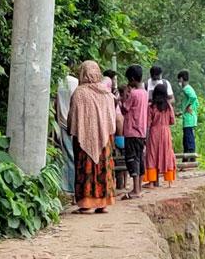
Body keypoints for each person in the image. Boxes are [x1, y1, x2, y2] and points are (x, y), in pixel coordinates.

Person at [68, 61, 119, 214]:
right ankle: (103, 203)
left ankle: (86, 203)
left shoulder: (79, 93)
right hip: (105, 139)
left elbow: (73, 117)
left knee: (86, 168)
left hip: (84, 138)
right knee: (104, 168)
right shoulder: (106, 93)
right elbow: (112, 118)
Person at [120, 64, 148, 199]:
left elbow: (125, 109)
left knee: (132, 159)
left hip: (131, 131)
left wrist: (123, 97)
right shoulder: (144, 93)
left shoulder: (134, 94)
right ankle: (139, 188)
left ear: (131, 78)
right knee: (139, 158)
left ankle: (135, 190)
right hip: (141, 131)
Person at [144, 83, 177, 187]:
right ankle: (170, 181)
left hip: (154, 132)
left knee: (152, 155)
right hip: (166, 132)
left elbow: (148, 123)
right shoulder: (168, 106)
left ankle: (151, 181)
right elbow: (172, 121)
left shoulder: (151, 106)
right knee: (167, 154)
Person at [52, 70, 78, 195]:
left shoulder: (58, 82)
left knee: (67, 155)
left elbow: (56, 103)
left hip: (63, 122)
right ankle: (76, 187)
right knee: (76, 155)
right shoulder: (76, 82)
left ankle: (68, 187)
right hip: (76, 123)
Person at [175, 70, 200, 156]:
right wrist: (182, 112)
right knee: (186, 139)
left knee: (188, 139)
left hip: (189, 118)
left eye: (179, 80)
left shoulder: (186, 89)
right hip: (188, 117)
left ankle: (191, 158)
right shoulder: (189, 88)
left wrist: (189, 106)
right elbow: (196, 102)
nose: (178, 82)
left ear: (181, 79)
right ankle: (186, 159)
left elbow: (193, 97)